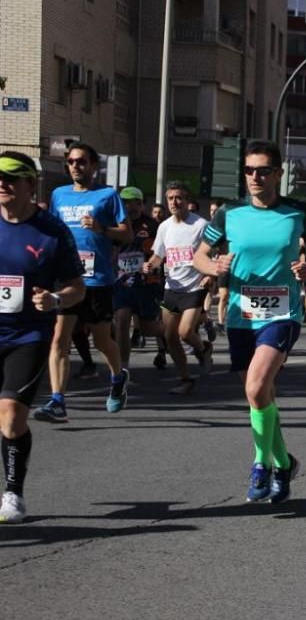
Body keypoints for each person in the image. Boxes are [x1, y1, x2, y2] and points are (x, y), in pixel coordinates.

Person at [193, 139, 306, 503]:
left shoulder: (298, 211)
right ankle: (284, 463)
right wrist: (213, 267)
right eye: (249, 170)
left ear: (278, 174)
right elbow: (200, 255)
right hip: (240, 314)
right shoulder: (228, 213)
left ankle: (262, 463)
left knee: (256, 387)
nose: (255, 177)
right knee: (261, 395)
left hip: (283, 313)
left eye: (263, 170)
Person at [0, 152, 86, 523]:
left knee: (10, 419)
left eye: (11, 178)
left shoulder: (51, 231)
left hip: (28, 335)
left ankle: (13, 493)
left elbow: (77, 288)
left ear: (30, 185)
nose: (2, 184)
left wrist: (54, 299)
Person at [34, 143, 132, 423]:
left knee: (102, 340)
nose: (76, 166)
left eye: (82, 162)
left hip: (97, 279)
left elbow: (126, 234)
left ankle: (117, 377)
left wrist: (102, 228)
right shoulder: (58, 195)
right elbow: (51, 232)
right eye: (72, 162)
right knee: (59, 340)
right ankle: (57, 401)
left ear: (93, 166)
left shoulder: (108, 196)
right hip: (66, 279)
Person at [143, 182, 213, 394]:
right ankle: (186, 379)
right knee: (169, 335)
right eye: (171, 198)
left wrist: (210, 274)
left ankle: (202, 349)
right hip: (172, 288)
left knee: (184, 332)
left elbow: (215, 251)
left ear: (187, 201)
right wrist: (150, 265)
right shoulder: (165, 227)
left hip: (194, 287)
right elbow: (159, 255)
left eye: (179, 198)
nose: (174, 202)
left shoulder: (201, 225)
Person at [111, 186, 164, 373]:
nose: (129, 207)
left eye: (134, 203)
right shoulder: (116, 223)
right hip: (122, 282)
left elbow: (162, 251)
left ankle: (169, 333)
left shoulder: (152, 225)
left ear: (141, 204)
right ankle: (122, 368)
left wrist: (153, 265)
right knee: (122, 319)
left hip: (146, 282)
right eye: (125, 203)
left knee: (148, 328)